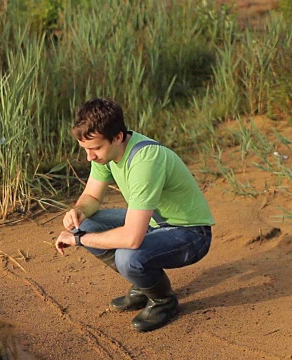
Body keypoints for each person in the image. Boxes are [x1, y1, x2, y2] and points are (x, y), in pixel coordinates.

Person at [55, 98, 214, 332]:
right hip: (153, 222)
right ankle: (143, 285)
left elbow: (132, 239)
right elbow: (92, 198)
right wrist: (78, 212)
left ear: (118, 137)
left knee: (128, 257)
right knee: (85, 224)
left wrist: (78, 240)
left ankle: (163, 301)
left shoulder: (145, 161)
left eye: (95, 148)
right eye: (86, 149)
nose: (89, 157)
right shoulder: (106, 153)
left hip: (190, 233)